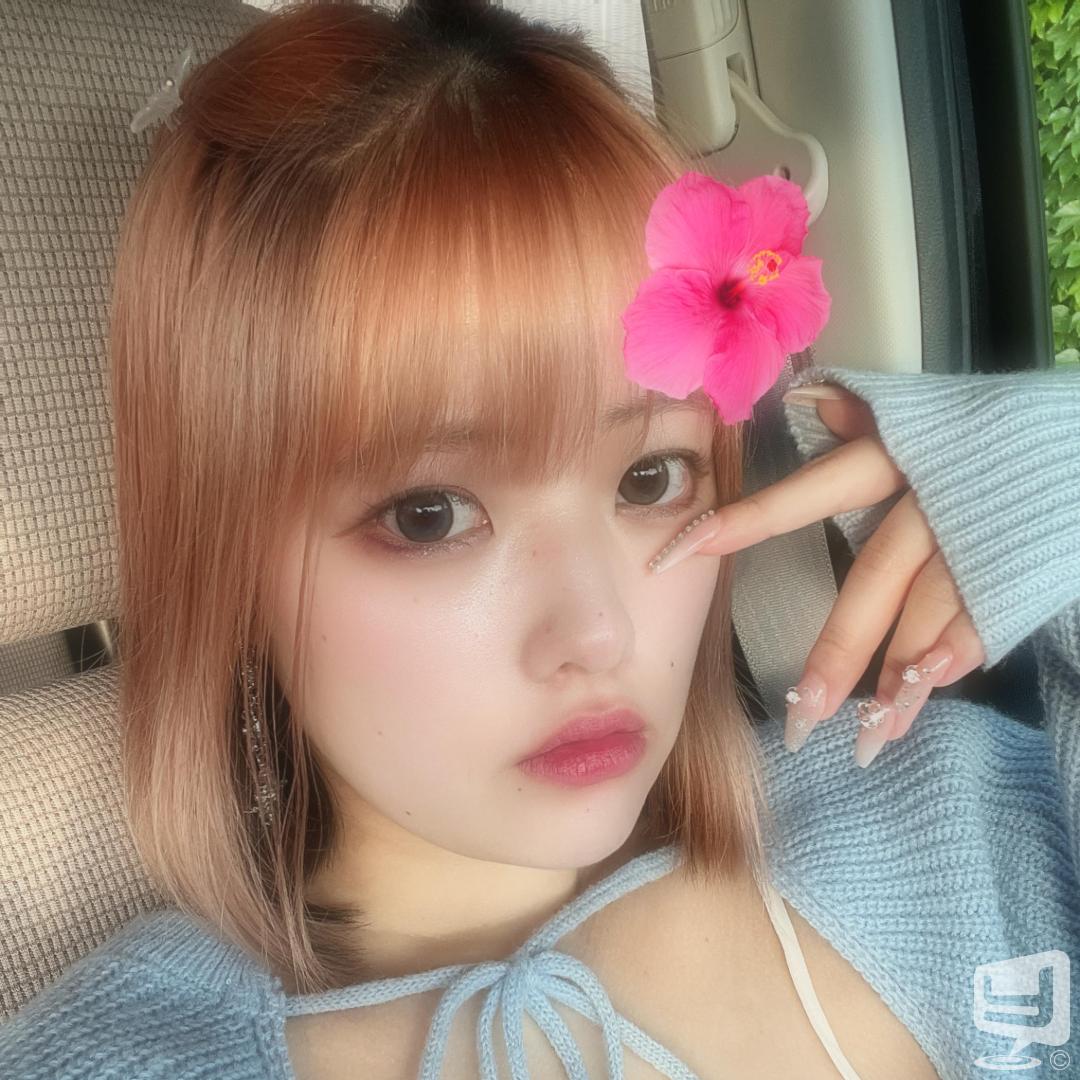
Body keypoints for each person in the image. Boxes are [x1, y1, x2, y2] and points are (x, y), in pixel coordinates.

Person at [2, 0, 1078, 1077]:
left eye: (650, 478)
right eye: (430, 515)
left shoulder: (957, 820)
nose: (599, 634)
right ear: (230, 563)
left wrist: (1044, 472)